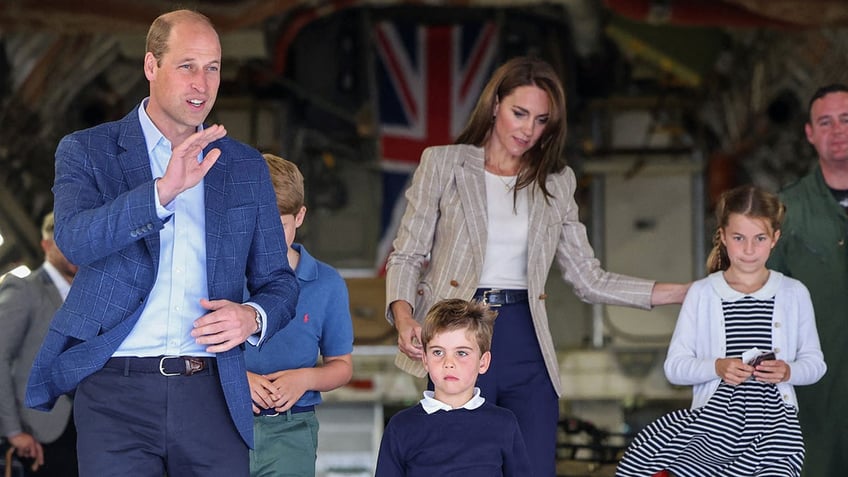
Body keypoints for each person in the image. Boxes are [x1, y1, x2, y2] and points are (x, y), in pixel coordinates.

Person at [385, 55, 690, 476]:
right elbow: (407, 253)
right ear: (495, 105)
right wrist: (403, 318)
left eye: (541, 120)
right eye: (519, 113)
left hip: (528, 340)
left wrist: (686, 293)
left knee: (533, 469)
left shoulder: (556, 182)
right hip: (462, 337)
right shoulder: (444, 163)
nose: (528, 129)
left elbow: (588, 278)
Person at [24, 9, 298, 477]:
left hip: (212, 391)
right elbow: (74, 241)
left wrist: (252, 315)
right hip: (115, 392)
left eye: (212, 67)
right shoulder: (87, 150)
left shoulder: (244, 167)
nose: (202, 83)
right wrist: (161, 193)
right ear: (151, 66)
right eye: (187, 65)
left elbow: (278, 282)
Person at [616, 185, 826, 477]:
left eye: (760, 238)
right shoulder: (702, 293)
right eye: (739, 238)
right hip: (712, 429)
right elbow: (674, 368)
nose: (749, 250)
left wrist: (787, 371)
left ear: (775, 239)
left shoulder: (794, 293)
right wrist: (717, 367)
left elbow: (816, 364)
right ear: (723, 236)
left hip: (776, 429)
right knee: (646, 455)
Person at [245, 154, 354, 477]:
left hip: (293, 429)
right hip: (222, 423)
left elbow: (342, 366)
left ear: (300, 216)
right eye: (256, 225)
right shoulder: (218, 278)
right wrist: (234, 379)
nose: (266, 239)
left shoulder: (327, 282)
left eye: (278, 227)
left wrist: (305, 378)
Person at [767, 83, 848, 477]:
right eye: (826, 122)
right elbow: (757, 303)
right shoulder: (787, 213)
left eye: (846, 120)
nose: (838, 131)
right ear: (810, 133)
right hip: (816, 406)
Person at [375, 298, 531, 476]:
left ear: (483, 362)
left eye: (461, 353)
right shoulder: (401, 426)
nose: (449, 363)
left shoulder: (504, 423)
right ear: (425, 360)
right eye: (438, 352)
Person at [0, 213, 78, 476]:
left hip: (93, 419)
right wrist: (13, 431)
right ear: (46, 246)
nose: (74, 251)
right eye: (64, 242)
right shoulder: (24, 290)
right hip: (42, 430)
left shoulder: (91, 293)